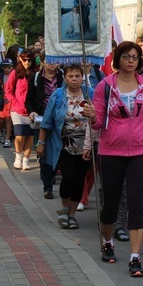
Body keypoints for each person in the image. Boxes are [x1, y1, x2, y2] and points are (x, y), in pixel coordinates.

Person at [91, 40, 143, 277]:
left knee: (137, 203)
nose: (131, 60)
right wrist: (91, 116)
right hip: (110, 151)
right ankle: (108, 241)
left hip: (141, 152)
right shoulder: (104, 86)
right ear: (118, 59)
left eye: (135, 57)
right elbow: (98, 122)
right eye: (126, 56)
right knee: (111, 202)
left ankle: (134, 257)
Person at [37, 64, 95, 229]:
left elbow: (97, 118)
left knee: (79, 180)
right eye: (71, 76)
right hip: (63, 144)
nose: (74, 79)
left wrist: (94, 114)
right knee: (68, 177)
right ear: (65, 78)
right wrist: (41, 143)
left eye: (77, 76)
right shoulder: (58, 95)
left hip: (85, 146)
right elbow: (47, 121)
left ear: (82, 77)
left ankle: (72, 214)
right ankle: (64, 209)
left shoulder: (90, 93)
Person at [26, 53, 64, 199]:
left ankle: (54, 174)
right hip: (42, 120)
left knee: (60, 152)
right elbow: (28, 99)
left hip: (60, 119)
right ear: (42, 63)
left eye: (53, 61)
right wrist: (32, 111)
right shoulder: (36, 78)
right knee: (43, 152)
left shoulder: (63, 77)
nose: (51, 64)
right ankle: (47, 186)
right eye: (47, 61)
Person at [5, 48, 38, 170]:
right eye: (24, 60)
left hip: (31, 110)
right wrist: (14, 101)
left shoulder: (36, 73)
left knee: (29, 136)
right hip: (17, 109)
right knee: (19, 135)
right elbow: (8, 90)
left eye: (29, 60)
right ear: (20, 59)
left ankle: (26, 160)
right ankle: (18, 157)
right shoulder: (15, 73)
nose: (27, 62)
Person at [0, 59, 15, 147]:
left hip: (11, 101)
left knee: (8, 119)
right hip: (1, 101)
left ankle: (7, 138)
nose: (7, 69)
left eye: (9, 67)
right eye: (5, 67)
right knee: (1, 120)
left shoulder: (15, 76)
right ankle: (1, 132)